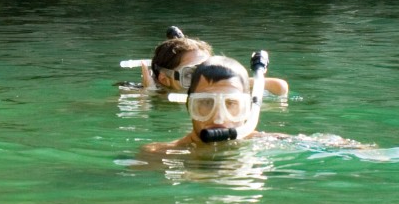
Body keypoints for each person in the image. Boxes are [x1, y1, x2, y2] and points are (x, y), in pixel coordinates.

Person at [138, 55, 278, 157]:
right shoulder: (158, 155)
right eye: (206, 102)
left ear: (247, 109)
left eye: (230, 103)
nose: (218, 118)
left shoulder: (276, 144)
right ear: (189, 107)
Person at [123, 26, 289, 96]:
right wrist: (149, 94)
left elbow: (280, 88)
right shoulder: (150, 94)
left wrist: (230, 79)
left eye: (207, 70)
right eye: (191, 75)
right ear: (164, 79)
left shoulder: (219, 91)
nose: (204, 81)